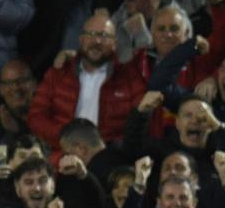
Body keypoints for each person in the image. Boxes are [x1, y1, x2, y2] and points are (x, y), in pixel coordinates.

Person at [27, 13, 148, 149]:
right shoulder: (58, 72)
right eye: (91, 34)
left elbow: (143, 121)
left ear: (114, 44)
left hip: (109, 157)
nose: (96, 41)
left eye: (103, 36)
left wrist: (109, 148)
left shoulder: (129, 77)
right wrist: (66, 137)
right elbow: (35, 117)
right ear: (81, 39)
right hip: (62, 153)